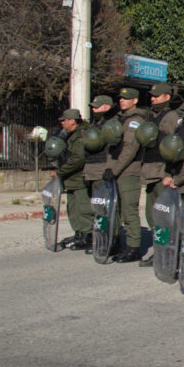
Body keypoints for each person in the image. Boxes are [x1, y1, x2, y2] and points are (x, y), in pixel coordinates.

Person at [139, 82, 183, 267]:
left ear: (166, 96)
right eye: (151, 95)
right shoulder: (153, 116)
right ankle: (161, 250)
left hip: (162, 172)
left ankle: (170, 252)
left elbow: (175, 145)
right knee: (152, 215)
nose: (152, 98)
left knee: (164, 216)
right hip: (150, 171)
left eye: (156, 95)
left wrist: (171, 173)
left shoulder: (172, 116)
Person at [105, 87, 147, 263]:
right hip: (118, 169)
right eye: (120, 98)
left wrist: (114, 170)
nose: (122, 100)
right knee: (118, 209)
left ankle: (134, 247)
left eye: (126, 98)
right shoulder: (121, 119)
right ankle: (119, 244)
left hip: (129, 171)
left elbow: (130, 149)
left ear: (135, 100)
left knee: (129, 210)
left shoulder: (135, 120)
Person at [51, 108, 92, 250]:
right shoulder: (69, 135)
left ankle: (88, 235)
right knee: (73, 208)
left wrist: (60, 172)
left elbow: (78, 159)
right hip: (71, 179)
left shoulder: (80, 136)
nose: (62, 122)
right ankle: (79, 233)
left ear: (72, 121)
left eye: (65, 120)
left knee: (83, 208)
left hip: (79, 178)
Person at [82, 94, 119, 255]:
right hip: (92, 170)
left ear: (106, 107)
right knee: (98, 210)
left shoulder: (112, 124)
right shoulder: (97, 123)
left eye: (96, 107)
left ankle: (111, 241)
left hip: (103, 170)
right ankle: (101, 240)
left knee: (107, 209)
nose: (94, 110)